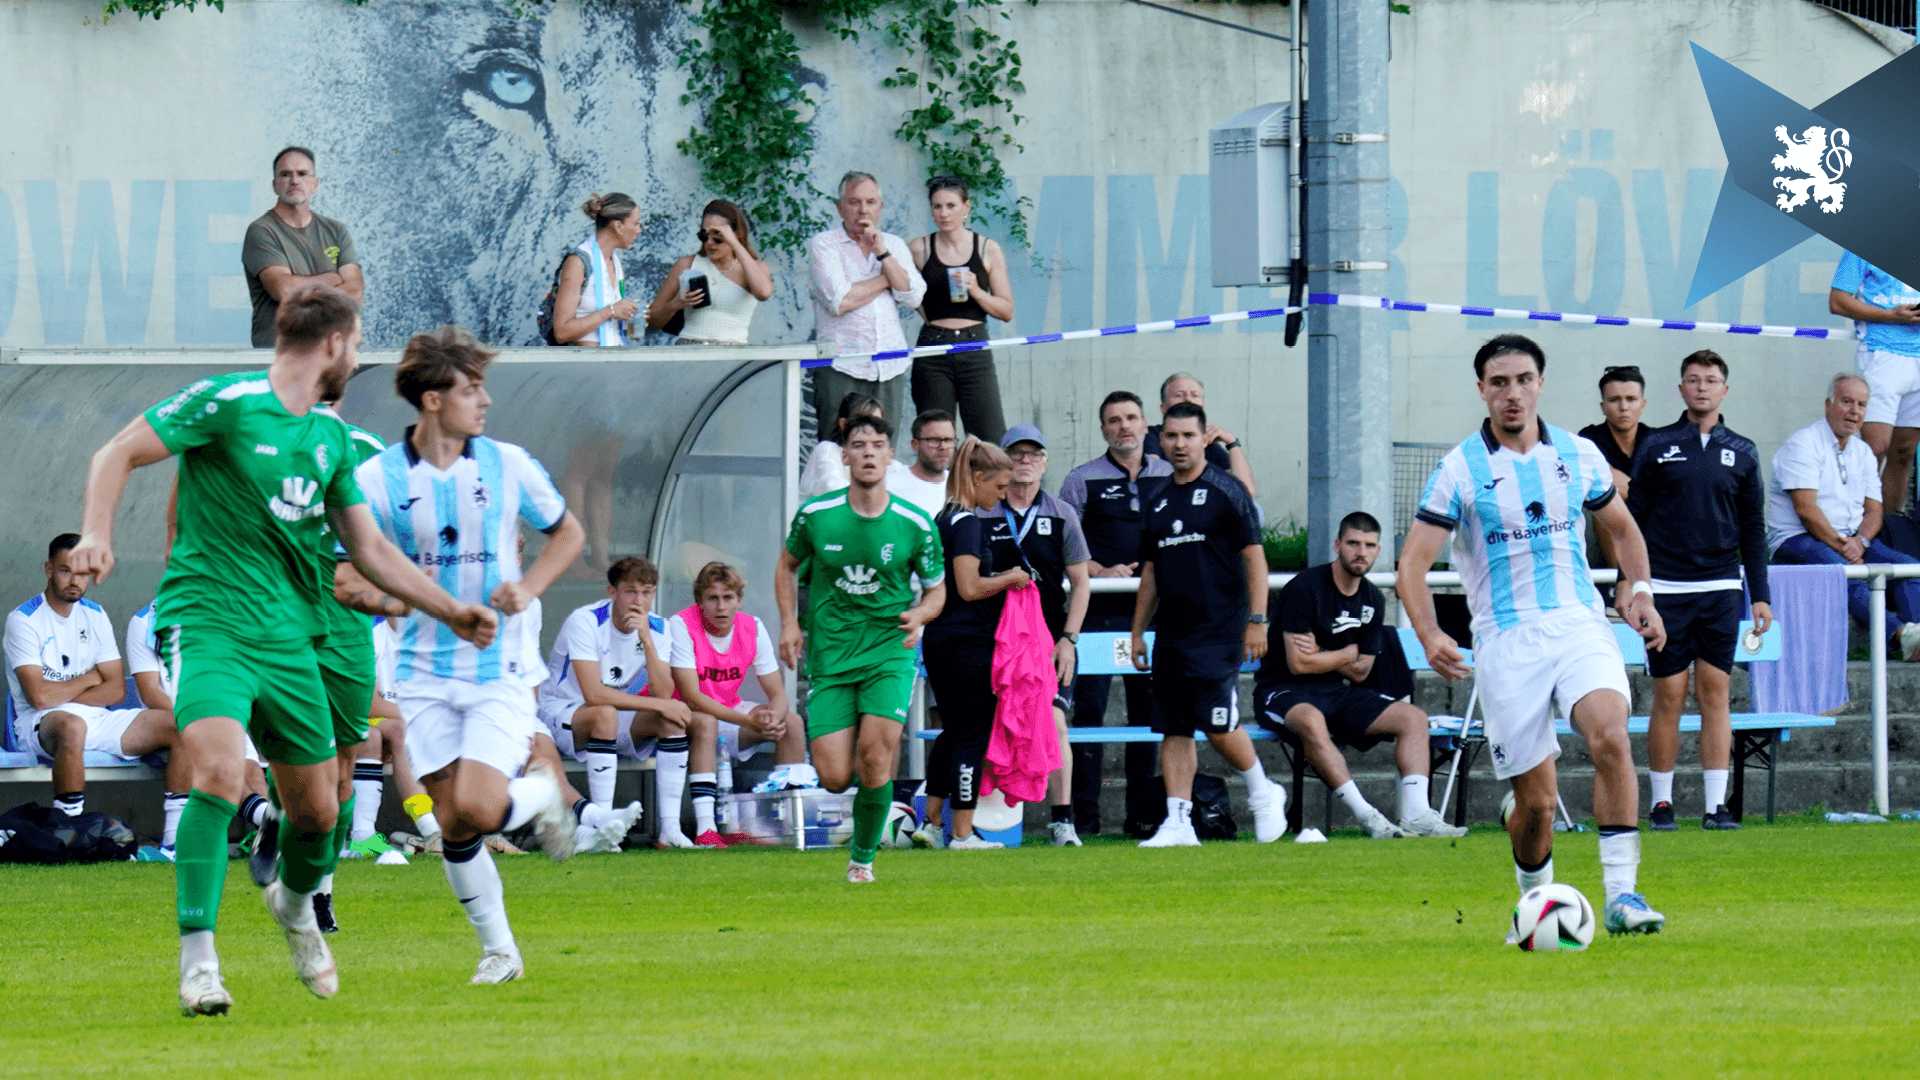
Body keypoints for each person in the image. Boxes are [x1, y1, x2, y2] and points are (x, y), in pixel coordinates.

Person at [71, 285, 497, 1015]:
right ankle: (199, 964)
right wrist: (95, 532)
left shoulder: (329, 440)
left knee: (318, 814)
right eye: (356, 344)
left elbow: (370, 549)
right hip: (209, 622)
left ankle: (296, 909)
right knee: (214, 768)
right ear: (334, 343)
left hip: (290, 639)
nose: (356, 357)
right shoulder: (228, 402)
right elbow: (118, 452)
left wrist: (448, 608)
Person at [1399, 333, 1668, 941]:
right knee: (1539, 805)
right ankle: (1535, 901)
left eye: (1523, 380)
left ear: (1541, 384)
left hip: (1578, 624)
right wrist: (1429, 632)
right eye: (1499, 383)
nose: (1513, 394)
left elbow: (1623, 530)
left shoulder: (1578, 454)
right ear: (1482, 391)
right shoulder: (1459, 469)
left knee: (1610, 736)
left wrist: (1641, 592)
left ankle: (1622, 895)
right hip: (1507, 640)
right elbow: (1413, 563)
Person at [356, 324, 588, 985]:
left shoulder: (507, 464)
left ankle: (546, 793)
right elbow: (344, 570)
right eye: (471, 389)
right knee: (452, 823)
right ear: (433, 400)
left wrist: (527, 589)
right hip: (422, 674)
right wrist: (395, 600)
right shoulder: (376, 478)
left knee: (482, 808)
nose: (485, 401)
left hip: (497, 669)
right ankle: (500, 952)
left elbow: (568, 533)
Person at [775, 413, 945, 882]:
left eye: (877, 445)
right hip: (831, 654)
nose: (868, 452)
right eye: (859, 444)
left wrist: (921, 614)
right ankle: (877, 802)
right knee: (833, 776)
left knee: (875, 756)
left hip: (889, 651)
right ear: (845, 456)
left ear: (891, 456)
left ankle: (862, 860)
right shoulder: (817, 514)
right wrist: (789, 623)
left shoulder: (915, 522)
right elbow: (786, 565)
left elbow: (937, 590)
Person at [1626, 351, 1773, 832]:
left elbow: (1753, 528)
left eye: (1711, 380)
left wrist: (1760, 594)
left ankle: (1715, 806)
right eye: (1693, 379)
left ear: (1724, 390)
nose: (1702, 387)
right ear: (1681, 389)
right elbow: (1632, 522)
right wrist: (1634, 584)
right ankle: (1661, 803)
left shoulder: (1744, 451)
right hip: (1666, 590)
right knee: (1669, 694)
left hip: (1721, 588)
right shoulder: (1656, 445)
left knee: (1716, 692)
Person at [1131, 402, 1286, 847]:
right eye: (1172, 436)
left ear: (1204, 439)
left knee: (1217, 723)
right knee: (1174, 727)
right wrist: (1138, 631)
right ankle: (1178, 822)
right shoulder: (1157, 498)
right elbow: (1151, 571)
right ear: (1161, 441)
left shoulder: (1227, 490)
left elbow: (1255, 560)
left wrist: (1258, 620)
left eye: (1188, 436)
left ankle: (1262, 790)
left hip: (1221, 629)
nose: (1180, 444)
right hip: (1172, 634)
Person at [1255, 513, 1466, 839]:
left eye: (1369, 546)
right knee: (1311, 719)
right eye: (1353, 543)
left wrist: (1324, 652)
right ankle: (1369, 817)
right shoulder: (1304, 588)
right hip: (1283, 690)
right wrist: (1347, 652)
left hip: (1335, 691)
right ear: (1337, 545)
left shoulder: (1372, 598)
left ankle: (1417, 814)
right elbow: (1299, 665)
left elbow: (1362, 670)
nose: (1361, 552)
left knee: (1413, 718)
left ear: (1378, 550)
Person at [5, 535, 186, 851]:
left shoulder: (96, 614)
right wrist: (90, 678)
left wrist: (65, 691)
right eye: (65, 571)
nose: (75, 581)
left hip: (99, 719)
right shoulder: (23, 619)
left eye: (82, 573)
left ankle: (173, 842)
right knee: (73, 726)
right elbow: (40, 698)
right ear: (48, 569)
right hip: (39, 723)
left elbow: (115, 690)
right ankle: (67, 834)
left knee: (180, 724)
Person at [1058, 390, 1171, 835]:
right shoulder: (1080, 480)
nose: (1123, 426)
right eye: (1114, 420)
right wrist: (1101, 571)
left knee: (1148, 715)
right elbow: (1063, 547)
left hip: (1156, 616)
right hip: (1098, 614)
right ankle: (1084, 818)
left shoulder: (1170, 473)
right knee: (1089, 715)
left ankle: (1142, 817)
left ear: (1145, 424)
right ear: (1103, 429)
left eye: (1130, 418)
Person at [537, 557, 708, 849]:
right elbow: (593, 694)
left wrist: (647, 641)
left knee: (672, 720)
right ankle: (603, 826)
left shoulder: (659, 628)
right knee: (605, 714)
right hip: (561, 712)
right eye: (630, 591)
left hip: (613, 713)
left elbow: (663, 693)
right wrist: (659, 705)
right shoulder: (586, 621)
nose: (638, 601)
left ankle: (670, 830)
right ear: (612, 592)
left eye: (646, 592)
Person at [916, 437, 1027, 850]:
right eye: (998, 487)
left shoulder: (942, 517)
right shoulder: (966, 522)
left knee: (952, 731)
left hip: (940, 640)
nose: (1002, 496)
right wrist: (1010, 578)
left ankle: (930, 823)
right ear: (977, 478)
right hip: (966, 642)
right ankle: (962, 833)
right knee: (973, 734)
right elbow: (968, 587)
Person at [1767, 374, 1920, 659]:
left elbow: (1874, 510)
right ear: (1828, 404)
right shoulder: (1803, 444)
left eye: (1861, 405)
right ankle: (1903, 636)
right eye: (1847, 401)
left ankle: (1918, 637)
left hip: (1849, 541)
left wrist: (1860, 542)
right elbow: (1806, 510)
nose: (1854, 411)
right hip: (1798, 541)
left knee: (1909, 568)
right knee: (1846, 574)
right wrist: (1845, 548)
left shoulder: (1862, 451)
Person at [993, 424, 1091, 847]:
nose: (1025, 461)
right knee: (993, 726)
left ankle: (1061, 821)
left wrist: (1069, 639)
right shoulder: (984, 510)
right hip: (999, 643)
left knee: (1055, 723)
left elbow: (1081, 583)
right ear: (1003, 461)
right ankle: (986, 822)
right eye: (1016, 453)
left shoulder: (1061, 513)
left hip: (1049, 644)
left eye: (1034, 454)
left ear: (1045, 462)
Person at [127, 596, 274, 860]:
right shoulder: (144, 621)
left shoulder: (221, 612)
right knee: (223, 767)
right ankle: (175, 842)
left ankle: (263, 839)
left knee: (252, 772)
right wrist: (199, 717)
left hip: (220, 713)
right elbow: (149, 693)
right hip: (171, 722)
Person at [668, 561, 812, 824]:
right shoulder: (681, 624)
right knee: (707, 721)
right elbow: (692, 696)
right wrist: (749, 721)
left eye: (728, 597)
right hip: (687, 717)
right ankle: (707, 826)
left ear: (739, 600)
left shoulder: (752, 626)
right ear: (700, 601)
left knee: (791, 722)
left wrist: (772, 720)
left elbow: (778, 693)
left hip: (728, 711)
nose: (721, 606)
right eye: (712, 598)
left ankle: (790, 822)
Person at [806, 171, 926, 438]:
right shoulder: (824, 244)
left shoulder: (893, 244)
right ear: (840, 208)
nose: (863, 210)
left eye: (871, 202)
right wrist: (888, 279)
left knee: (884, 448)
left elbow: (913, 296)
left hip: (889, 365)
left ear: (880, 207)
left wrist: (881, 252)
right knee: (837, 447)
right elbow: (840, 301)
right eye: (854, 202)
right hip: (841, 364)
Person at [906, 176, 1014, 443]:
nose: (944, 213)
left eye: (951, 205)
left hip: (974, 345)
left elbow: (1006, 310)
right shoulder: (919, 248)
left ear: (967, 207)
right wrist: (924, 311)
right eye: (937, 206)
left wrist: (977, 291)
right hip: (933, 347)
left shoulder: (988, 248)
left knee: (989, 439)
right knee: (935, 440)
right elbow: (899, 286)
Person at [242, 147, 364, 348]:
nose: (294, 181)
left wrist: (305, 291)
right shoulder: (262, 231)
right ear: (275, 185)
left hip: (330, 353)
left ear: (315, 184)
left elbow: (355, 294)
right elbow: (284, 290)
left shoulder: (336, 231)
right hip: (283, 354)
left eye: (302, 173)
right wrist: (332, 280)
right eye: (285, 174)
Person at [1829, 252, 1920, 513]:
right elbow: (1837, 301)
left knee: (1904, 453)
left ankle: (1888, 530)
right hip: (1882, 352)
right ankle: (1851, 525)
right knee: (1873, 450)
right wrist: (1891, 315)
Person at [645, 199, 773, 345]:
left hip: (733, 350)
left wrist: (735, 243)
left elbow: (763, 293)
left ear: (735, 234)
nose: (709, 243)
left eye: (718, 237)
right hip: (689, 346)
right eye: (704, 236)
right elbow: (650, 321)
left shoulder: (755, 268)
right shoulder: (687, 264)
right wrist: (675, 304)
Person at [551, 192, 643, 347]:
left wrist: (628, 314)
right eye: (635, 223)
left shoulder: (614, 262)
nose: (639, 230)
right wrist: (610, 311)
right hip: (586, 360)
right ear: (618, 226)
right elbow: (561, 332)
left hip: (613, 356)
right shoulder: (577, 262)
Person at [1142, 374, 1256, 497]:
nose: (1188, 400)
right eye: (1179, 395)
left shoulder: (1207, 443)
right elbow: (1154, 481)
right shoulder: (1150, 436)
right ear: (1163, 408)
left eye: (1195, 395)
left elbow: (1246, 492)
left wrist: (1232, 442)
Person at [1577, 366, 1652, 497]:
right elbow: (1605, 479)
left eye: (1631, 399)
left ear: (1643, 405)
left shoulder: (1656, 440)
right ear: (1603, 407)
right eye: (1614, 400)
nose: (1623, 407)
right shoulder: (1589, 439)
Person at [801, 392, 883, 499]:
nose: (872, 429)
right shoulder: (827, 449)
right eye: (864, 422)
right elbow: (833, 490)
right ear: (843, 424)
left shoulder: (880, 457)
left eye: (878, 423)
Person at [885, 409, 957, 517]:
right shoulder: (890, 488)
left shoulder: (960, 486)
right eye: (934, 440)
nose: (943, 447)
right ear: (915, 445)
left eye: (948, 440)